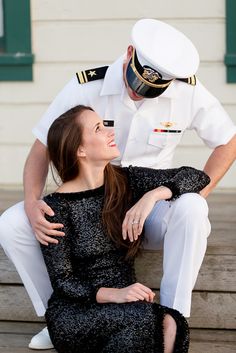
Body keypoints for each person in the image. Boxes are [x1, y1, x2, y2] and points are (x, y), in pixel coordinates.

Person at [0, 18, 235, 350]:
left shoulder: (188, 90)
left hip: (149, 204)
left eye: (150, 91)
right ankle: (61, 317)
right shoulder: (86, 86)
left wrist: (160, 195)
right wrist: (31, 201)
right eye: (135, 84)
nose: (137, 95)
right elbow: (43, 145)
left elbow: (227, 141)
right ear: (129, 55)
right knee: (11, 224)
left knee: (194, 206)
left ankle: (173, 318)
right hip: (91, 200)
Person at [41, 104, 210, 353]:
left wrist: (152, 196)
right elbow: (63, 281)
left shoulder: (125, 180)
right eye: (98, 128)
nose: (109, 131)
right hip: (77, 312)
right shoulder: (56, 207)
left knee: (173, 323)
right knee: (143, 320)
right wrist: (114, 295)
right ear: (80, 149)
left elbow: (197, 176)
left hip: (129, 305)